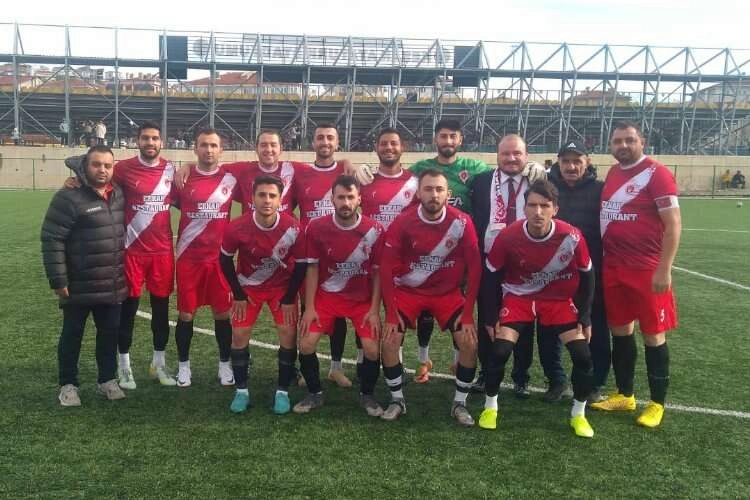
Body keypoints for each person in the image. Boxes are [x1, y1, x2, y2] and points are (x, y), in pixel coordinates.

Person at [479, 179, 596, 437]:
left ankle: (578, 414)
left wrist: (585, 315)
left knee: (583, 356)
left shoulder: (571, 236)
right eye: (532, 205)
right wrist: (490, 315)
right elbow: (490, 276)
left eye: (545, 206)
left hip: (557, 301)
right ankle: (490, 408)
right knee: (500, 351)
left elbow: (588, 275)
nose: (538, 212)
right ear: (525, 209)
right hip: (519, 298)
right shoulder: (508, 236)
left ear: (555, 209)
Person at [592, 121, 681, 428]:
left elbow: (673, 224)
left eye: (630, 140)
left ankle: (657, 403)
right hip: (613, 266)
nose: (623, 146)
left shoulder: (657, 173)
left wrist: (664, 268)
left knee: (653, 334)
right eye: (617, 141)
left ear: (642, 142)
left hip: (646, 269)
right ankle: (625, 394)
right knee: (620, 331)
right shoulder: (614, 173)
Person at [379, 168, 481, 426]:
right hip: (409, 292)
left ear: (448, 193)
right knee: (390, 340)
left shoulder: (462, 222)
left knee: (469, 341)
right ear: (418, 193)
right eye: (428, 189)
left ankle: (460, 403)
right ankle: (397, 400)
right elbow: (386, 267)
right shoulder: (403, 221)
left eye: (439, 189)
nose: (434, 194)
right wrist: (390, 313)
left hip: (447, 294)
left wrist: (468, 314)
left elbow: (475, 268)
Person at [472, 134, 561, 399]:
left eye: (517, 154)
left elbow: (561, 188)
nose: (511, 159)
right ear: (497, 156)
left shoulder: (537, 180)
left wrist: (545, 172)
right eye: (506, 154)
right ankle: (487, 372)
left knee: (523, 323)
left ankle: (521, 376)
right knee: (487, 318)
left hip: (526, 265)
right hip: (490, 261)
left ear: (526, 155)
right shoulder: (482, 181)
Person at [406, 119, 492, 384]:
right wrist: (362, 171)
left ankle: (457, 361)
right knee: (425, 310)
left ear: (460, 140)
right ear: (436, 139)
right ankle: (423, 360)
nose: (448, 141)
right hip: (427, 251)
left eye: (453, 136)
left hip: (460, 254)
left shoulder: (474, 168)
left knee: (460, 307)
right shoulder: (420, 169)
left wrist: (535, 168)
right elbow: (394, 179)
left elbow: (502, 175)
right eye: (443, 136)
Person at [41, 146, 128, 406]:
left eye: (108, 166)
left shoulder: (118, 194)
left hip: (111, 283)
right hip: (78, 284)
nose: (102, 170)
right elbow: (52, 239)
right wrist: (59, 279)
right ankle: (68, 385)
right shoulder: (68, 197)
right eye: (96, 164)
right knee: (72, 335)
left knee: (109, 335)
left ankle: (107, 380)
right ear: (85, 166)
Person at [295, 175, 385, 416]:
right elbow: (312, 268)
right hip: (327, 297)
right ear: (332, 199)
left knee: (371, 348)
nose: (346, 202)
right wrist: (309, 307)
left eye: (350, 197)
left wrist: (374, 310)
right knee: (306, 343)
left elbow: (378, 273)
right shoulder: (316, 227)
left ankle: (367, 396)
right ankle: (314, 394)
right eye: (341, 197)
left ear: (359, 199)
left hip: (361, 300)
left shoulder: (374, 230)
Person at [220, 175, 306, 415]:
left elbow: (301, 265)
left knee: (288, 334)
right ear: (252, 198)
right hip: (248, 288)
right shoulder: (237, 227)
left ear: (280, 200)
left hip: (282, 288)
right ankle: (241, 391)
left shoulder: (293, 227)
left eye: (272, 196)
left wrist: (289, 298)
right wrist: (238, 293)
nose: (267, 200)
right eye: (262, 195)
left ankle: (282, 392)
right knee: (239, 335)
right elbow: (225, 260)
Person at [111, 121, 178, 389]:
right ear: (137, 141)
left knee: (161, 313)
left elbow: (184, 198)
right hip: (132, 252)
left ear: (162, 142)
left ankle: (158, 364)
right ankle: (124, 366)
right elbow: (100, 184)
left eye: (155, 138)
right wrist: (75, 181)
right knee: (128, 311)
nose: (150, 143)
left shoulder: (171, 170)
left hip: (162, 253)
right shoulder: (123, 169)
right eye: (145, 138)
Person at [547, 140, 611, 403]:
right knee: (550, 331)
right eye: (566, 161)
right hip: (553, 275)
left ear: (588, 162)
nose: (571, 166)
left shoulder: (601, 190)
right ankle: (556, 381)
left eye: (577, 161)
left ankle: (593, 383)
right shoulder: (548, 188)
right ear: (558, 162)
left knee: (595, 330)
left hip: (591, 274)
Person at [173, 128, 237, 388]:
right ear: (195, 149)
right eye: (203, 145)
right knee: (186, 314)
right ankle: (183, 366)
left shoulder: (231, 179)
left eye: (213, 145)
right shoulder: (183, 179)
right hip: (189, 259)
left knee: (222, 314)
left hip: (219, 260)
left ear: (221, 150)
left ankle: (224, 364)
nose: (208, 150)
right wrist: (185, 167)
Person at [359, 128, 423, 381]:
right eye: (383, 143)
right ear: (376, 147)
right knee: (366, 311)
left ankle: (397, 360)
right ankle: (364, 360)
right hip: (369, 259)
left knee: (397, 314)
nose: (388, 148)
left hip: (401, 262)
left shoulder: (415, 183)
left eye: (393, 143)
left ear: (402, 147)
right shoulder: (365, 180)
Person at [292, 124, 352, 388]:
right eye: (320, 138)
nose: (325, 142)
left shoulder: (346, 172)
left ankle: (336, 368)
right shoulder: (301, 174)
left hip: (340, 256)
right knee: (307, 310)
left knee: (338, 313)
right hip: (310, 257)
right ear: (313, 143)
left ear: (337, 143)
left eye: (330, 138)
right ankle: (306, 367)